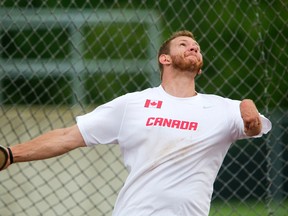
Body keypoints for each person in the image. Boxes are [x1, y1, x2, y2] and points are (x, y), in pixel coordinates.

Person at [1, 30, 272, 216]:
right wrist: (11, 154)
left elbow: (255, 126)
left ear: (199, 66)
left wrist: (248, 109)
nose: (193, 46)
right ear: (164, 59)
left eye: (197, 47)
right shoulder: (133, 104)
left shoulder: (222, 108)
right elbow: (68, 136)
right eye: (184, 44)